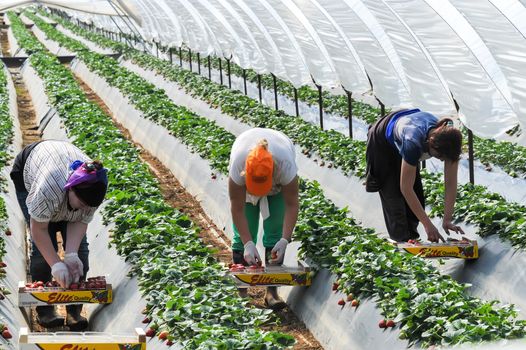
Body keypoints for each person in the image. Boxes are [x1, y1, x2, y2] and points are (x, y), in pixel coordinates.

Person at [10, 140, 108, 330]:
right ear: (71, 187)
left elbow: (80, 220)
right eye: (81, 203)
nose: (85, 208)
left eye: (89, 206)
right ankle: (45, 311)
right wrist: (55, 263)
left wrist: (71, 255)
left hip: (59, 166)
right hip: (29, 171)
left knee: (80, 253)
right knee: (44, 253)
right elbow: (39, 230)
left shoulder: (95, 188)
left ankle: (74, 311)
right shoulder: (48, 189)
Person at [365, 108, 464, 243]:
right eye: (440, 156)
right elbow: (405, 188)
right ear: (430, 143)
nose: (441, 160)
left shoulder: (450, 142)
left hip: (405, 128)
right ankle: (402, 242)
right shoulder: (413, 142)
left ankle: (412, 238)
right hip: (382, 141)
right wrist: (428, 226)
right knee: (394, 199)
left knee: (417, 196)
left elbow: (451, 183)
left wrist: (447, 219)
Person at [228, 128, 299, 310]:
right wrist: (247, 244)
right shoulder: (238, 166)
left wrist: (285, 239)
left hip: (277, 189)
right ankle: (242, 291)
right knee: (245, 230)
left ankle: (271, 293)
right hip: (246, 184)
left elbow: (291, 204)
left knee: (275, 230)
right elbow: (237, 208)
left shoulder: (285, 165)